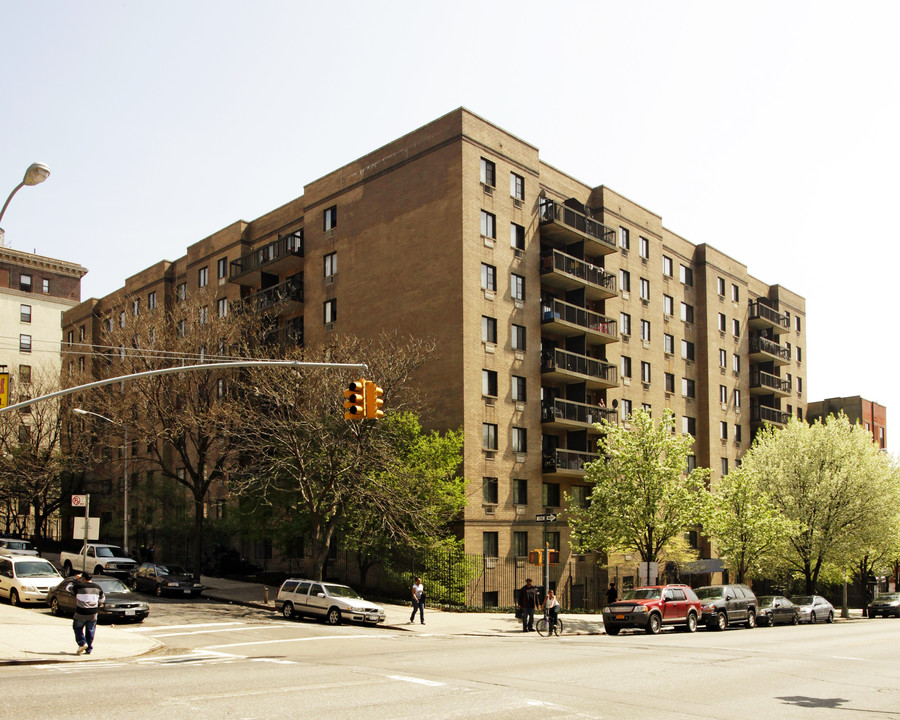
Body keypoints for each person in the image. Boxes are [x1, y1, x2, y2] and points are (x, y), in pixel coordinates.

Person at [72, 572, 104, 655]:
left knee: (77, 627)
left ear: (83, 579)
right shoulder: (98, 587)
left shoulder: (79, 587)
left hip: (81, 612)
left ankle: (82, 643)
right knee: (90, 630)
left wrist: (76, 579)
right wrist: (98, 605)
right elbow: (102, 599)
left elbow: (71, 588)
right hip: (93, 612)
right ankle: (89, 648)